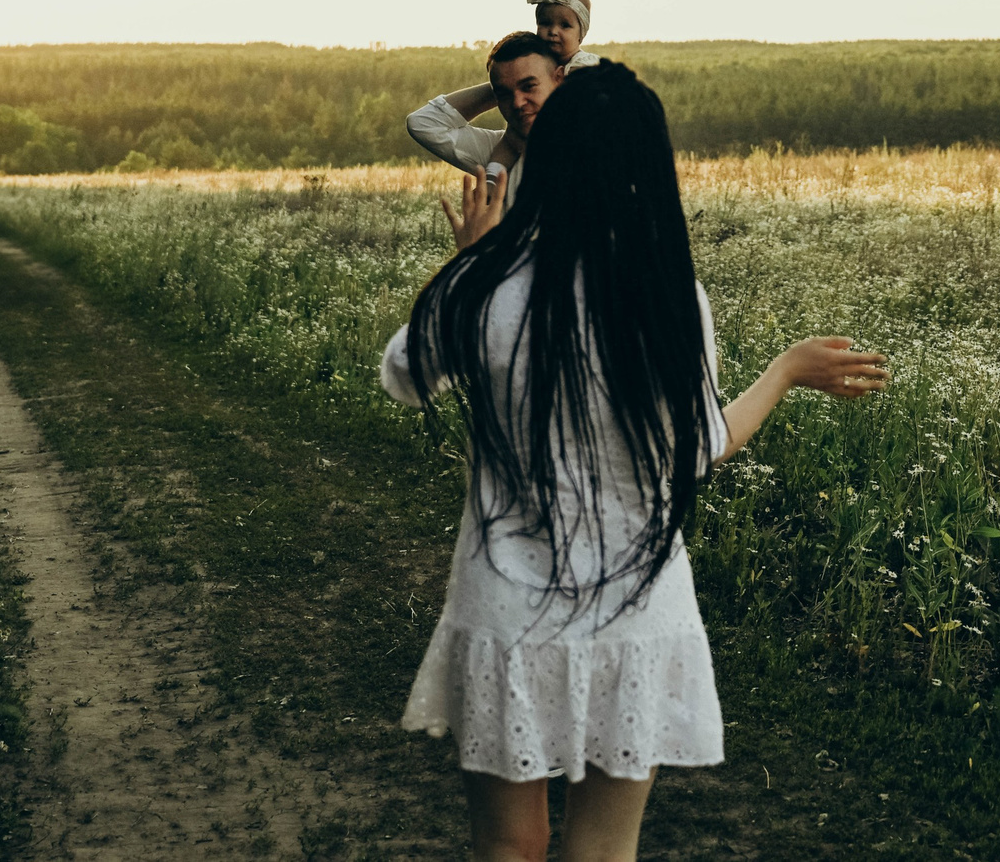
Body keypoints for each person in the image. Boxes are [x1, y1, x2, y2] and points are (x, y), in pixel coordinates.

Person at [380, 61, 889, 862]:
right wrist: (784, 370)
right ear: (649, 166)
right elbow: (698, 450)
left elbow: (404, 376)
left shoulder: (487, 285)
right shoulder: (669, 294)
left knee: (506, 848)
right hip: (635, 612)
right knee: (603, 854)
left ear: (548, 159)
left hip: (505, 613)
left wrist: (467, 264)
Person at [407, 32, 564, 239]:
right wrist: (501, 84)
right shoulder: (499, 151)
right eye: (504, 94)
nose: (517, 103)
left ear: (559, 80)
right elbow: (423, 123)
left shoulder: (599, 144)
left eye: (529, 86)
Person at [526, 0, 599, 70]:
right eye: (545, 23)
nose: (553, 31)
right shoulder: (537, 64)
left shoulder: (582, 66)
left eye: (565, 25)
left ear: (580, 35)